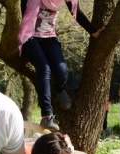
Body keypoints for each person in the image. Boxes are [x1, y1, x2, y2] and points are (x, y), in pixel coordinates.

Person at [18, 0, 102, 131]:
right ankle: (47, 116)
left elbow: (77, 14)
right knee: (44, 68)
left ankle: (59, 89)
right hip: (29, 36)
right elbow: (22, 13)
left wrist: (94, 31)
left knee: (62, 70)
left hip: (49, 37)